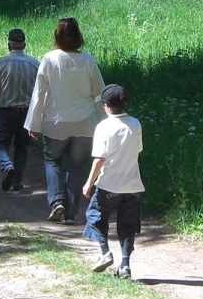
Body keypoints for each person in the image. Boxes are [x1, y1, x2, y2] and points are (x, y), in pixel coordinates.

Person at [24, 17, 105, 223]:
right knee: (76, 167)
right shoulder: (88, 60)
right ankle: (70, 214)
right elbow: (100, 94)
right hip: (85, 122)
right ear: (79, 36)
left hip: (56, 122)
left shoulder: (50, 59)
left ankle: (57, 201)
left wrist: (33, 123)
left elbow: (39, 93)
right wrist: (105, 122)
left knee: (53, 160)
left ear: (57, 36)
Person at [81, 84, 143, 279]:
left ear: (106, 105)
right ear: (124, 104)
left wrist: (89, 182)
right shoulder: (135, 124)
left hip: (108, 184)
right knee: (128, 224)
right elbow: (138, 150)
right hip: (133, 184)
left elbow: (100, 158)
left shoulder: (103, 127)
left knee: (95, 216)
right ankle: (125, 265)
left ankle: (104, 252)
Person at [0, 28, 40, 192]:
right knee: (22, 146)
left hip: (6, 111)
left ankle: (7, 165)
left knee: (0, 144)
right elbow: (40, 91)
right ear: (24, 44)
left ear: (9, 44)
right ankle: (17, 182)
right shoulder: (35, 64)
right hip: (27, 113)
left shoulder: (1, 63)